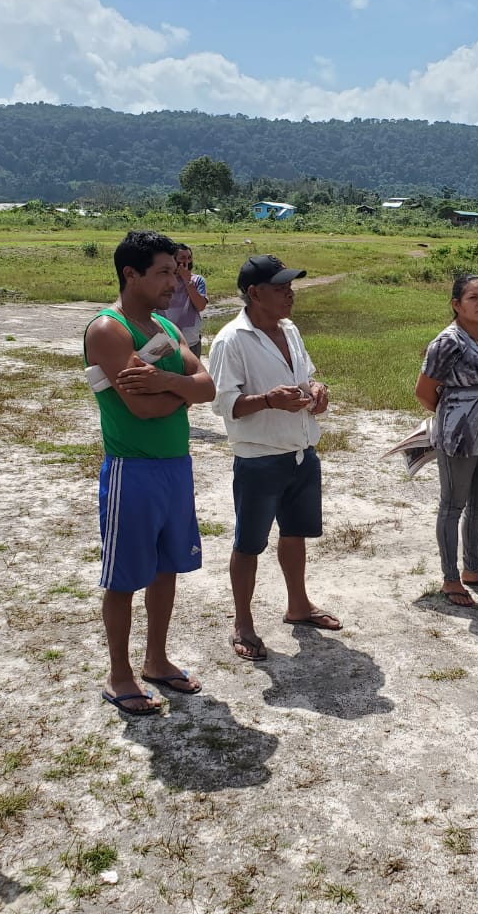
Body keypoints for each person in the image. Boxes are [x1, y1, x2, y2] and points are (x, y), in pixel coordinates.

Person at [84, 231, 216, 713]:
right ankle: (119, 674)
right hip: (132, 472)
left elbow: (208, 388)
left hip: (175, 467)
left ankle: (156, 660)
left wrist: (164, 381)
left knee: (167, 568)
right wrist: (179, 390)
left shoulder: (164, 325)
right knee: (123, 577)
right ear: (130, 274)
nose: (174, 281)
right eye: (163, 272)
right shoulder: (108, 329)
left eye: (175, 271)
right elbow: (139, 409)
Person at [209, 254, 339, 661]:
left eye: (291, 286)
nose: (290, 294)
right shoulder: (231, 340)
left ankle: (297, 604)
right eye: (281, 287)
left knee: (295, 532)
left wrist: (316, 391)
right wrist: (267, 400)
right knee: (248, 543)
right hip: (259, 458)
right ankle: (243, 622)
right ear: (254, 293)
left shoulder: (290, 330)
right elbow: (222, 403)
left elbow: (305, 377)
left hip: (301, 451)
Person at [416, 275, 478, 607]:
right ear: (456, 304)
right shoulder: (447, 342)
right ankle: (450, 577)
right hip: (460, 437)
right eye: (473, 297)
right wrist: (455, 417)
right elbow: (425, 392)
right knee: (453, 504)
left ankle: (473, 569)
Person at [157, 242, 208, 358]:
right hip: (166, 337)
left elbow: (200, 306)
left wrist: (187, 281)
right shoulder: (163, 280)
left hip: (191, 339)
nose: (186, 262)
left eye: (189, 258)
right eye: (182, 258)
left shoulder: (197, 280)